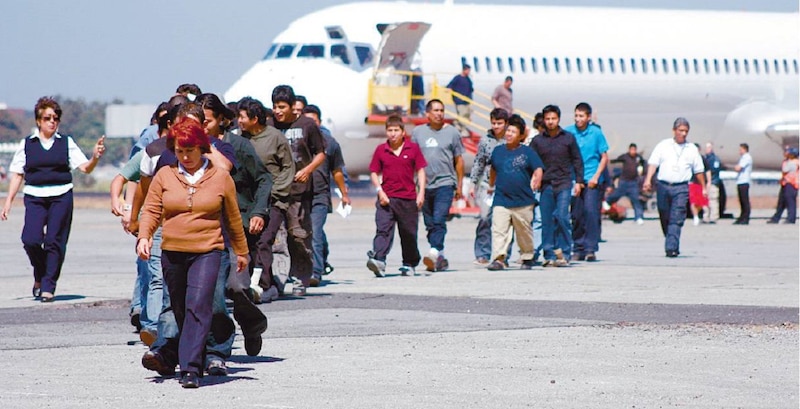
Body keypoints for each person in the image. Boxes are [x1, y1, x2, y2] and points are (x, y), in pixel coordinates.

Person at [136, 117, 249, 388]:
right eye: (179, 151)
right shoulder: (165, 175)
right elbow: (151, 209)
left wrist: (242, 252)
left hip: (208, 250)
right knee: (180, 308)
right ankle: (183, 354)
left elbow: (233, 218)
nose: (185, 157)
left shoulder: (220, 177)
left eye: (190, 150)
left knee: (199, 305)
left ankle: (190, 369)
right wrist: (144, 236)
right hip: (172, 251)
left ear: (202, 148)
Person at [1, 97, 106, 302]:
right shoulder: (27, 144)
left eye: (55, 118)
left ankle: (48, 285)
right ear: (38, 121)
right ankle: (40, 273)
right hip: (34, 196)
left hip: (61, 196)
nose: (52, 122)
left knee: (54, 242)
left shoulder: (65, 143)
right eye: (47, 118)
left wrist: (94, 157)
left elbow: (85, 168)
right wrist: (8, 202)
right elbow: (17, 174)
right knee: (30, 240)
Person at [199, 93, 271, 373]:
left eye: (207, 121)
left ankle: (252, 324)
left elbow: (263, 178)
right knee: (214, 292)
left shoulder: (237, 146)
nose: (202, 126)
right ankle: (217, 348)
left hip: (238, 226)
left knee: (237, 286)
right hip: (207, 229)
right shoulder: (193, 148)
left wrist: (258, 212)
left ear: (221, 121)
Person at [269, 85, 326, 296]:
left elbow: (321, 153)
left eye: (282, 106)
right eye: (275, 106)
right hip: (275, 191)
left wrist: (308, 170)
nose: (278, 111)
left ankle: (301, 278)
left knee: (299, 236)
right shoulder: (269, 125)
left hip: (299, 192)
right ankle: (278, 280)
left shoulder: (307, 125)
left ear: (294, 107)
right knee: (276, 237)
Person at [237, 96, 294, 300]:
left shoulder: (275, 137)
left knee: (264, 240)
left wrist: (276, 193)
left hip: (274, 200)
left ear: (254, 118)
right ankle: (251, 281)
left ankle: (265, 285)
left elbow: (288, 167)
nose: (239, 121)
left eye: (242, 117)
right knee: (250, 241)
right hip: (250, 201)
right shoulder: (240, 140)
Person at [366, 115, 427, 277]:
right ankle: (379, 260)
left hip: (408, 198)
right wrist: (380, 191)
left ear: (403, 132)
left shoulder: (412, 149)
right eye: (389, 130)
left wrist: (421, 193)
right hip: (387, 198)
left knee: (408, 233)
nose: (392, 134)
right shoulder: (381, 150)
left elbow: (420, 171)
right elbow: (373, 172)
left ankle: (409, 263)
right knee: (383, 230)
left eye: (396, 130)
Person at [411, 99, 465, 272]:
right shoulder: (418, 133)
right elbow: (412, 160)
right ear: (427, 113)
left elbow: (459, 160)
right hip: (424, 186)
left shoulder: (453, 133)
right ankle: (440, 256)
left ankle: (434, 251)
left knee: (439, 219)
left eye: (441, 110)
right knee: (429, 223)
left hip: (445, 183)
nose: (439, 113)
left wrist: (459, 185)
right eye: (435, 110)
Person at [642, 117, 707, 258]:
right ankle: (671, 240)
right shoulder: (663, 145)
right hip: (663, 186)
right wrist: (647, 180)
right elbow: (653, 163)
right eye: (680, 130)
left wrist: (703, 187)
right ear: (674, 130)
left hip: (681, 188)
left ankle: (671, 247)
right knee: (664, 215)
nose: (683, 134)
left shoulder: (691, 149)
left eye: (686, 131)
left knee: (676, 218)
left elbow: (699, 170)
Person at [486, 115, 543, 271]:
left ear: (521, 135)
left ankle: (527, 256)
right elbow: (493, 169)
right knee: (498, 230)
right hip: (501, 198)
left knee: (524, 231)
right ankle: (499, 258)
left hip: (523, 200)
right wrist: (491, 185)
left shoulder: (528, 152)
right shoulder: (498, 151)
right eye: (508, 131)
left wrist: (537, 179)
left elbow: (538, 167)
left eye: (513, 131)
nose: (509, 134)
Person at [530, 105, 584, 267]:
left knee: (561, 216)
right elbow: (530, 160)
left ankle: (565, 252)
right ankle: (549, 254)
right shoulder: (538, 141)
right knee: (546, 220)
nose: (550, 122)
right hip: (546, 185)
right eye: (547, 119)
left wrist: (580, 182)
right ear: (544, 120)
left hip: (564, 183)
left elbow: (577, 160)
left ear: (558, 119)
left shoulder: (568, 138)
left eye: (553, 119)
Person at [303, 104, 351, 285]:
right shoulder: (296, 142)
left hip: (320, 196)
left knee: (315, 232)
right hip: (299, 195)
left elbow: (337, 170)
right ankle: (302, 269)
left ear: (320, 122)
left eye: (314, 122)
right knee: (301, 235)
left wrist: (344, 194)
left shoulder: (330, 143)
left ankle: (316, 272)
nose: (311, 126)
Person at [565, 102, 608, 262]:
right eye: (576, 115)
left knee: (590, 212)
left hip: (592, 179)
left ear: (588, 117)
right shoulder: (569, 132)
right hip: (575, 179)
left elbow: (604, 157)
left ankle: (590, 248)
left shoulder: (596, 133)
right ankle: (578, 247)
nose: (578, 119)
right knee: (576, 214)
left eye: (581, 116)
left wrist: (596, 177)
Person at [469, 108, 509, 266]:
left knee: (505, 222)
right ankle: (482, 252)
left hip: (506, 185)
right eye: (494, 123)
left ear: (506, 124)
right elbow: (479, 162)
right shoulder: (485, 140)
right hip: (487, 186)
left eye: (499, 123)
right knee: (485, 218)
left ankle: (503, 254)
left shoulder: (511, 139)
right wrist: (473, 183)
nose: (496, 126)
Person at [604, 143, 646, 224]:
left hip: (633, 183)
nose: (633, 151)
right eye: (631, 150)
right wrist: (609, 161)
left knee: (636, 200)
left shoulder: (638, 158)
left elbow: (643, 163)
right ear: (629, 150)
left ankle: (639, 217)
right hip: (624, 181)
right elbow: (617, 160)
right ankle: (608, 202)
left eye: (634, 150)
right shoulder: (625, 156)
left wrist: (642, 169)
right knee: (616, 195)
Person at [768, 147, 799, 224]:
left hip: (791, 184)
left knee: (790, 202)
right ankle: (776, 218)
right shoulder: (789, 161)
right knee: (782, 202)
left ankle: (791, 218)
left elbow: (785, 170)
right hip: (786, 183)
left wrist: (786, 161)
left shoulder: (793, 162)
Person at [446, 64, 474, 137]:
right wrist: (449, 90)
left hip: (467, 100)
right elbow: (450, 85)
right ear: (464, 70)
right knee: (462, 115)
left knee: (468, 114)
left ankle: (457, 123)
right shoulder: (457, 78)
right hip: (459, 101)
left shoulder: (468, 79)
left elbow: (471, 89)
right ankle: (463, 130)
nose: (469, 72)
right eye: (468, 70)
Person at [733, 143, 752, 225]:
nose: (739, 151)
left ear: (745, 149)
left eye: (741, 149)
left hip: (744, 181)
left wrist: (736, 167)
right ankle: (742, 217)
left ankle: (746, 217)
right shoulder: (743, 158)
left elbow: (738, 168)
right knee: (741, 200)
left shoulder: (747, 157)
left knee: (745, 201)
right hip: (740, 181)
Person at [703, 142, 723, 223]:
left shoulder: (715, 159)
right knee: (705, 201)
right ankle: (705, 217)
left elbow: (715, 170)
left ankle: (713, 217)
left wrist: (710, 180)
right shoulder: (705, 159)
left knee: (713, 200)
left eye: (708, 148)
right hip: (705, 183)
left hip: (713, 182)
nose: (706, 150)